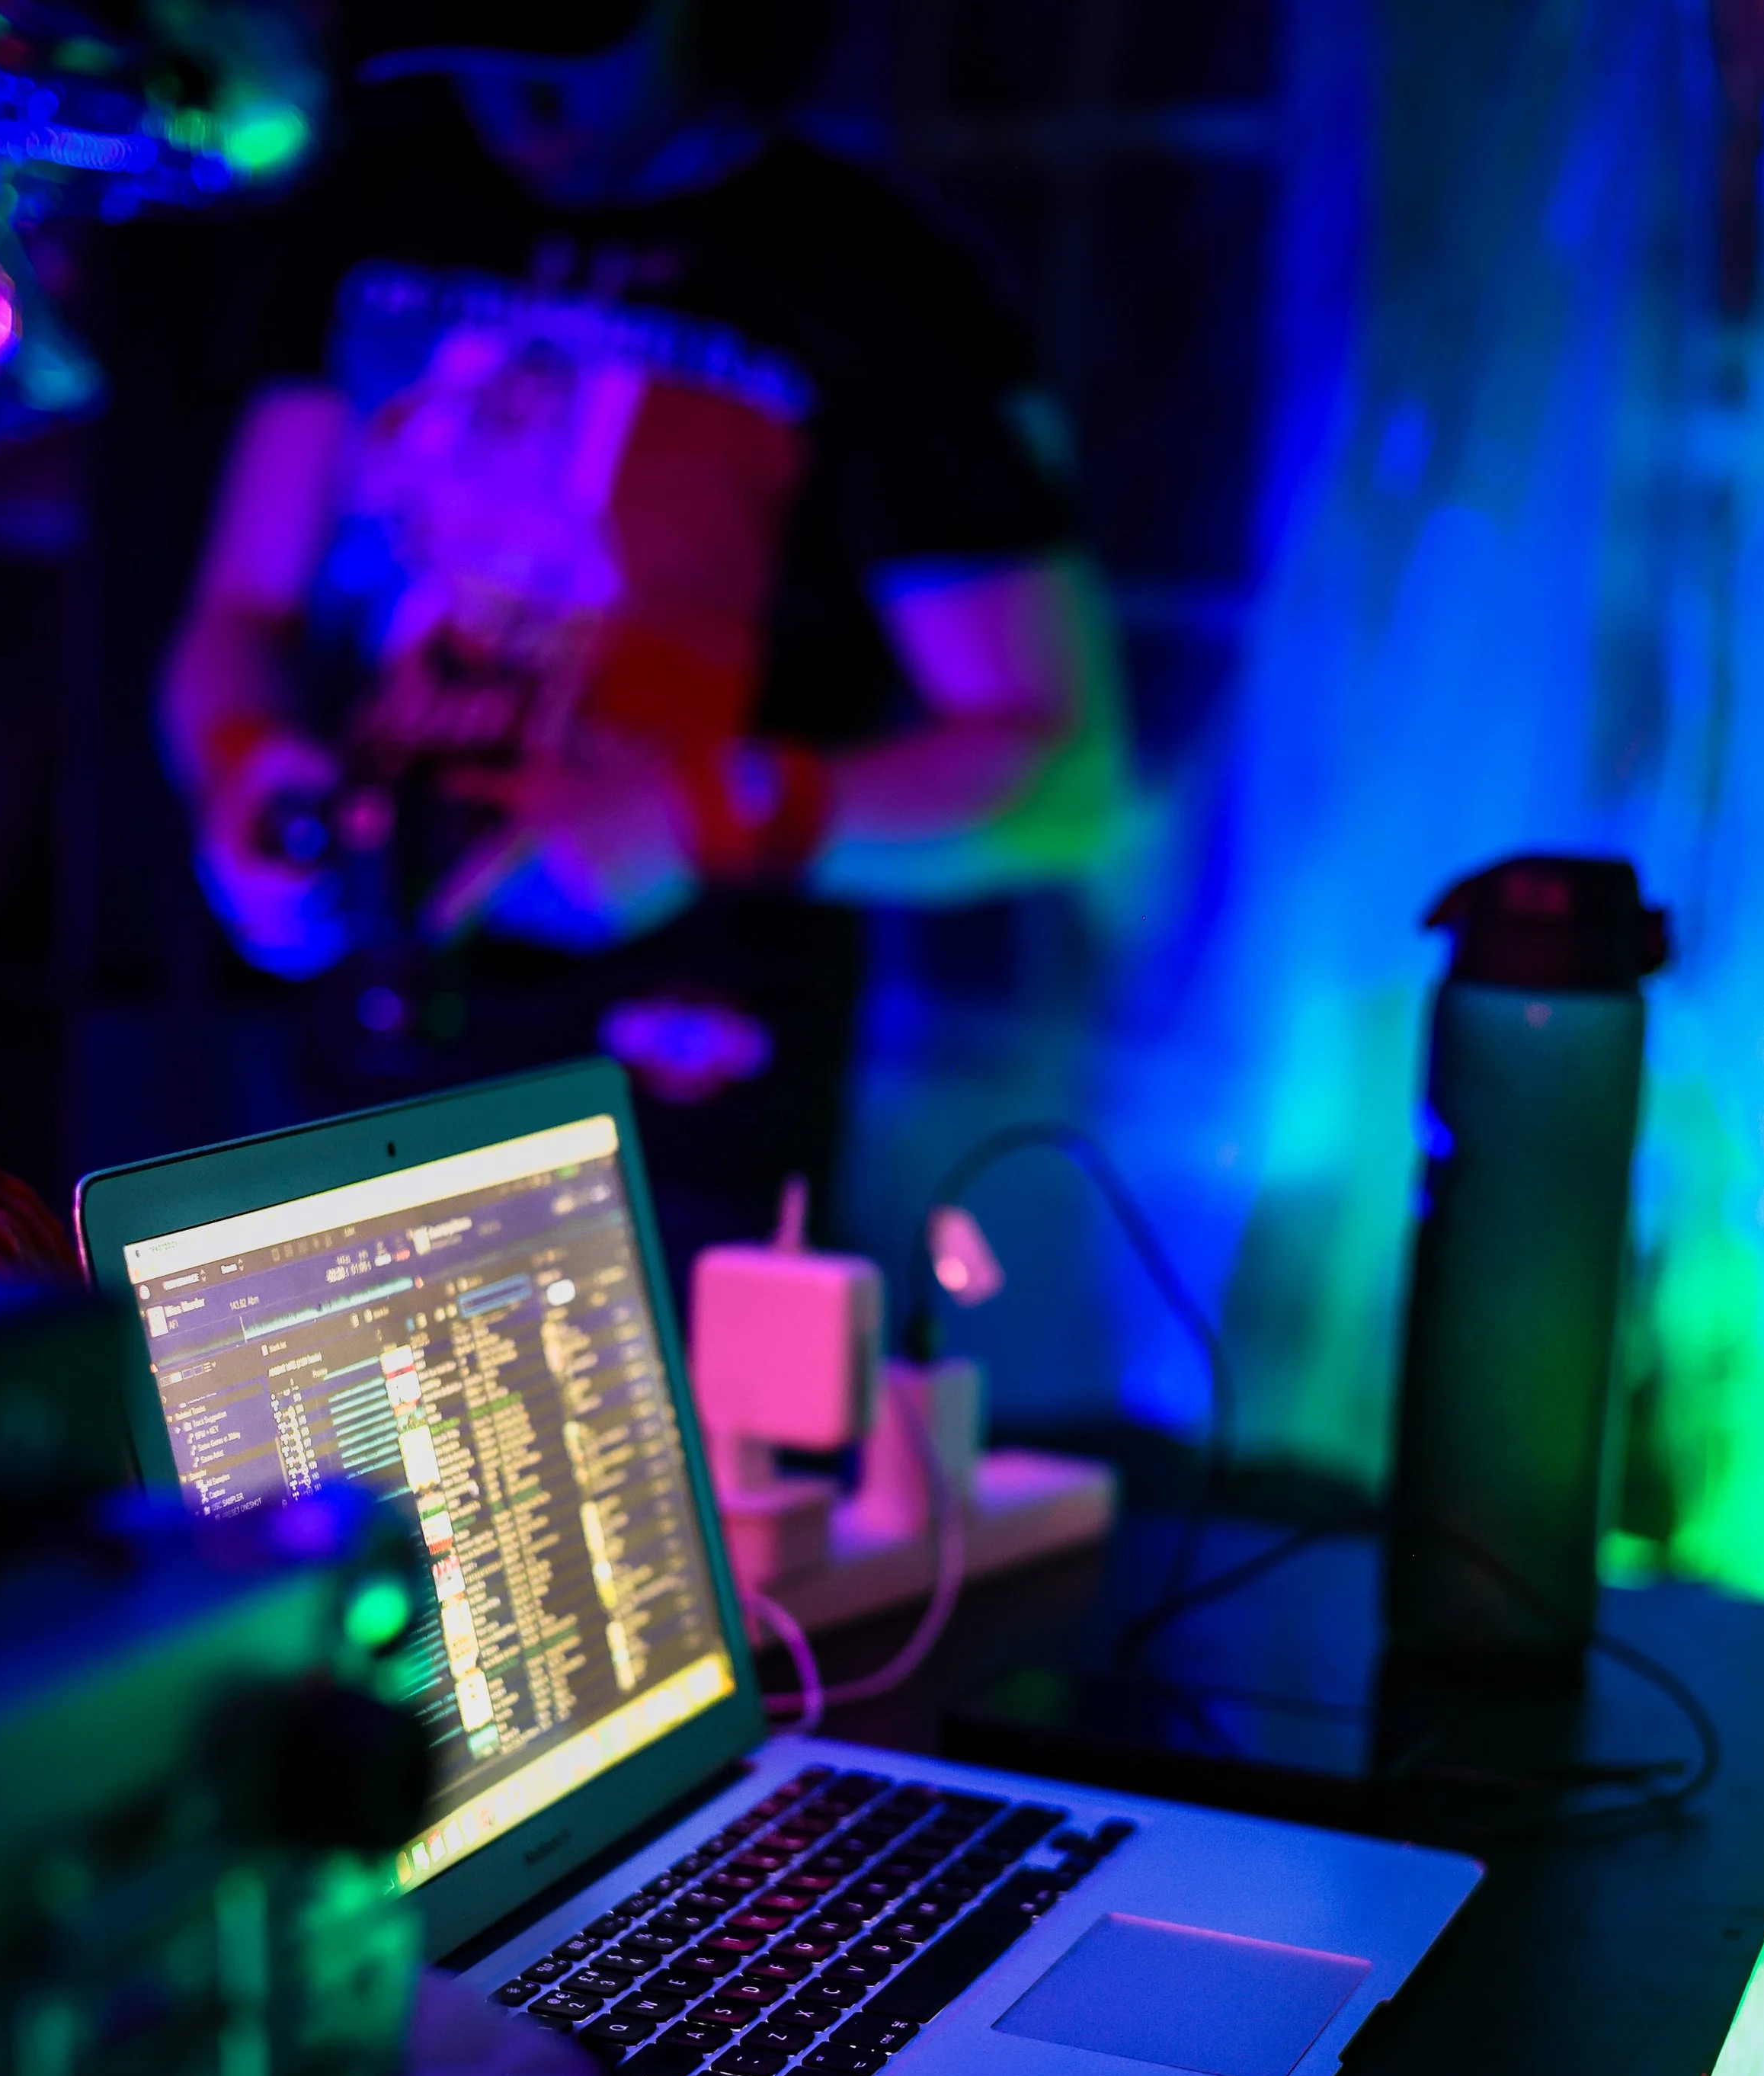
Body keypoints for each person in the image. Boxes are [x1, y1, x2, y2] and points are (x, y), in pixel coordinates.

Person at [162, 0, 1130, 1288]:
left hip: (672, 1113)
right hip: (353, 1070)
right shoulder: (376, 208)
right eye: (482, 54)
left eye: (565, 55)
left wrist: (695, 818)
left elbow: (1060, 782)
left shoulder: (870, 281)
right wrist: (246, 769)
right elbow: (238, 619)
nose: (520, 106)